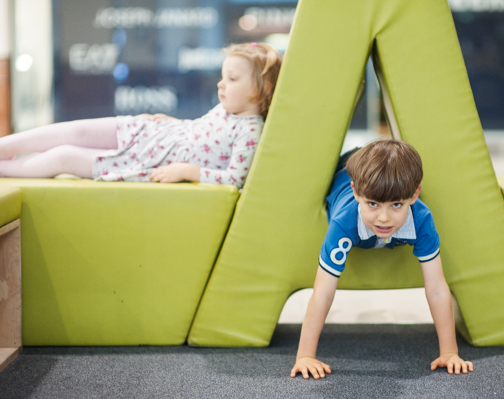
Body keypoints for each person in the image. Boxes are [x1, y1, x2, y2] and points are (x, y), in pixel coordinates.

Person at [290, 139, 474, 379]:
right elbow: (323, 291)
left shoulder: (421, 218)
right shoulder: (343, 223)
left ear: (415, 194)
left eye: (396, 205)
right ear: (356, 193)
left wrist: (449, 352)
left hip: (380, 171)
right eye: (373, 204)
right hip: (343, 168)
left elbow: (437, 288)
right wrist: (305, 356)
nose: (384, 218)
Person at [0, 43, 283, 188]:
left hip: (146, 159)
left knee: (64, 156)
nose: (221, 84)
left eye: (232, 79)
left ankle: (4, 169)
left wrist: (188, 172)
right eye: (223, 76)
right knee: (74, 131)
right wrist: (174, 123)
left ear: (264, 88)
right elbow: (200, 131)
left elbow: (235, 177)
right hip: (149, 133)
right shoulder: (226, 108)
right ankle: (4, 147)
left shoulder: (250, 129)